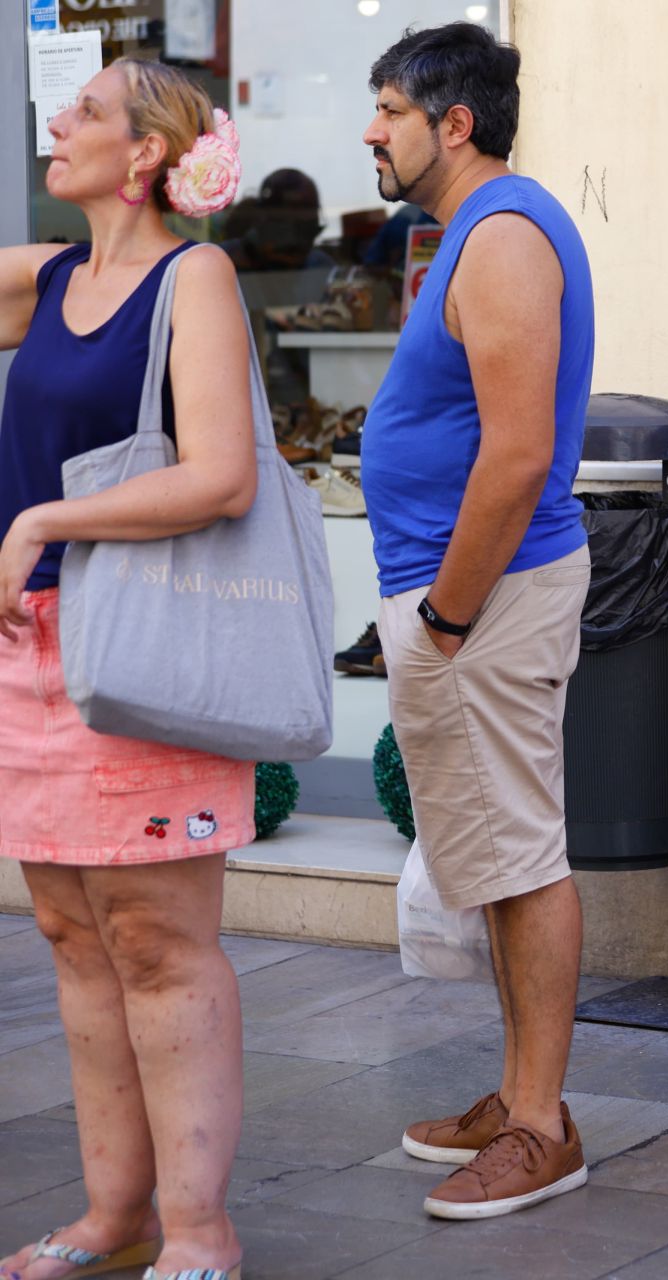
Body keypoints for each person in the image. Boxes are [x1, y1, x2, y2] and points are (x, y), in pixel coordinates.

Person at [0, 60, 254, 1280]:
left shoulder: (190, 276)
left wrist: (43, 520)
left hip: (144, 640)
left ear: (147, 154)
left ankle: (201, 1231)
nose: (56, 121)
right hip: (32, 650)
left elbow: (222, 473)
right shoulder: (50, 278)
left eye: (86, 111)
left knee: (156, 940)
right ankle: (115, 1214)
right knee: (69, 933)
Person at [356, 23, 596, 1218]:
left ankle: (542, 1123)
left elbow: (518, 454)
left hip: (486, 599)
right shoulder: (479, 233)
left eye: (388, 108)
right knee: (500, 859)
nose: (371, 131)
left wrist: (445, 616)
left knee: (524, 851)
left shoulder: (499, 237)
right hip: (474, 598)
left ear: (454, 124)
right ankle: (518, 1093)